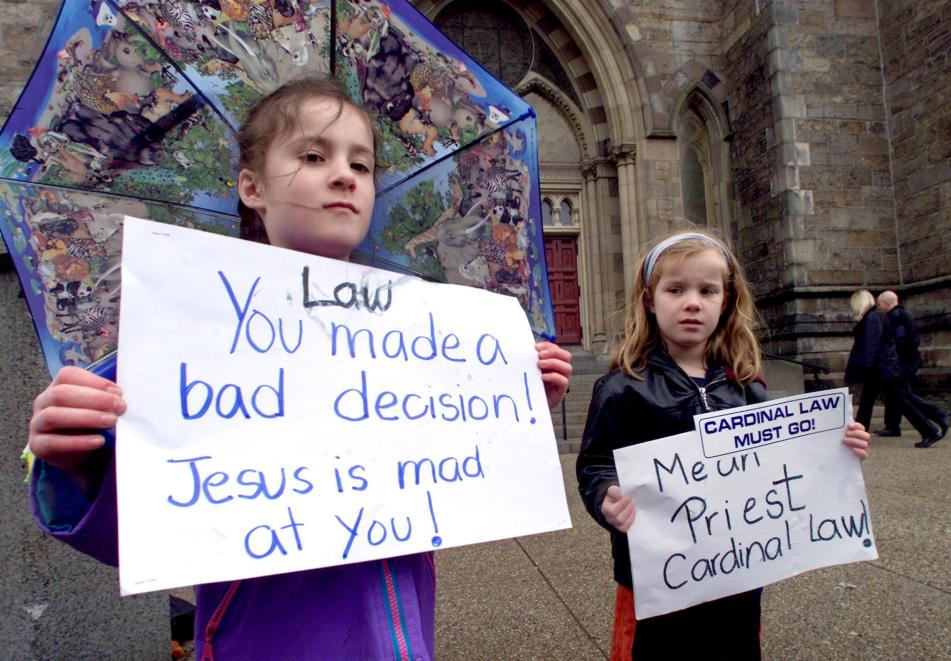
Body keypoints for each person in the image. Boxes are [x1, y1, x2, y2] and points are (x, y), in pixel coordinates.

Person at [26, 77, 574, 659]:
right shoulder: (185, 333)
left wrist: (512, 405)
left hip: (400, 640)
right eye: (313, 156)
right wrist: (76, 465)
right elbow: (142, 532)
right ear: (251, 187)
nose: (344, 175)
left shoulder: (420, 335)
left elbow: (451, 469)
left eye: (361, 166)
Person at [576, 231, 870, 660]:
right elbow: (596, 463)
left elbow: (780, 456)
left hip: (736, 573)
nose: (691, 302)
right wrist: (606, 497)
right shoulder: (623, 388)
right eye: (675, 289)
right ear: (649, 300)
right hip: (657, 579)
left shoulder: (745, 385)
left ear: (726, 301)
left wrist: (835, 447)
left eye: (706, 290)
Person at [844, 290, 945, 448]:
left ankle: (930, 430)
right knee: (869, 401)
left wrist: (866, 366)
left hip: (881, 369)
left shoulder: (873, 317)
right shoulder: (875, 316)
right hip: (881, 368)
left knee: (901, 402)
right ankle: (861, 431)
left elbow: (871, 345)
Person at [874, 290, 950, 440]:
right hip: (907, 360)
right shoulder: (902, 315)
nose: (879, 307)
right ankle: (892, 426)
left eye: (880, 304)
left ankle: (938, 414)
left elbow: (899, 341)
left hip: (903, 362)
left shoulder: (896, 317)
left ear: (886, 303)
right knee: (894, 393)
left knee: (902, 394)